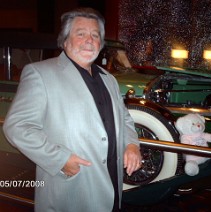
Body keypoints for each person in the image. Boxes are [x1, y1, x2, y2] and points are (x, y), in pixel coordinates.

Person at [3, 7, 142, 212]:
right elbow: (17, 127)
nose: (89, 40)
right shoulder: (40, 73)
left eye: (95, 35)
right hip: (71, 188)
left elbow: (124, 117)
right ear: (65, 40)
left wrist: (131, 145)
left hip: (112, 185)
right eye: (81, 33)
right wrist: (60, 160)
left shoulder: (109, 79)